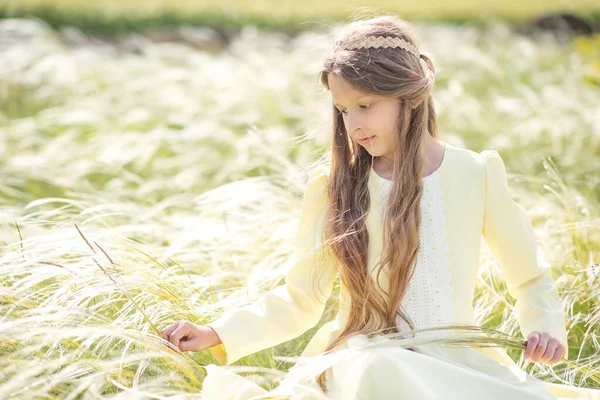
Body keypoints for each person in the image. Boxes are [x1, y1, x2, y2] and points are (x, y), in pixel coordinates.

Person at [160, 15, 600, 400]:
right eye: (343, 110)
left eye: (365, 106)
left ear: (409, 96)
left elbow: (529, 274)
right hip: (361, 359)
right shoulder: (334, 188)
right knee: (381, 369)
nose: (353, 125)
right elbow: (301, 297)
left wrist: (543, 326)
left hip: (455, 362)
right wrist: (218, 333)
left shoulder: (475, 173)